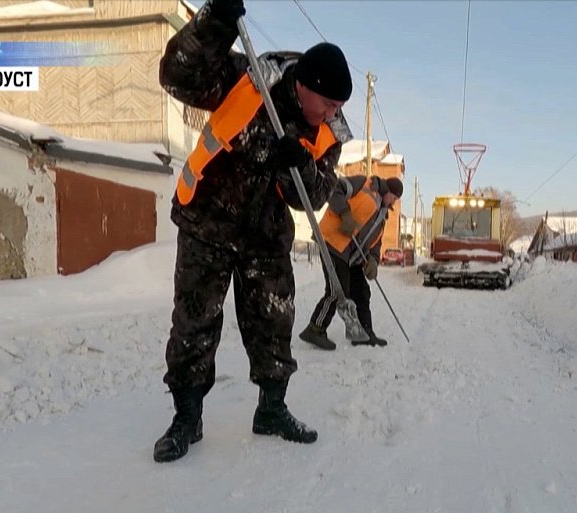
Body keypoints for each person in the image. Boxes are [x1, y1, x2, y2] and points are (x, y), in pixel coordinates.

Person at [153, 0, 355, 462]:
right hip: (208, 221)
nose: (332, 112)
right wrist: (215, 21)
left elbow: (319, 194)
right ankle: (187, 417)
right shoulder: (249, 79)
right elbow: (178, 75)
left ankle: (272, 409)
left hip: (265, 237)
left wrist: (299, 164)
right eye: (328, 102)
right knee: (194, 322)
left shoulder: (329, 131)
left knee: (274, 322)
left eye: (340, 105)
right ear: (303, 85)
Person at [299, 175, 403, 350]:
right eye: (394, 197)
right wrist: (345, 213)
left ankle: (364, 333)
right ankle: (315, 328)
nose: (394, 202)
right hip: (333, 243)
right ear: (389, 190)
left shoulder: (382, 214)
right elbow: (334, 190)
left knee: (361, 291)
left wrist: (373, 260)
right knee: (337, 290)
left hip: (353, 256)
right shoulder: (365, 184)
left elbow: (375, 242)